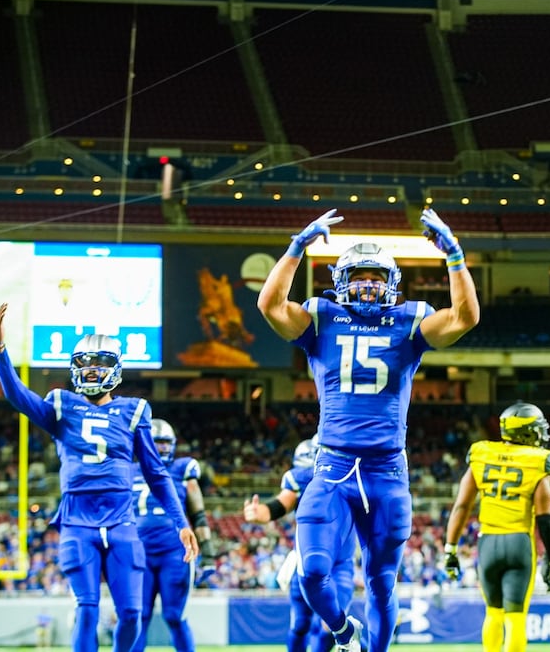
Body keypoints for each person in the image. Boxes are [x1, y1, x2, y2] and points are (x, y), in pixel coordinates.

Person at [256, 207, 479, 652]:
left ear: (391, 284)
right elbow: (270, 306)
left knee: (381, 582)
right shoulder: (322, 318)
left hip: (385, 469)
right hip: (333, 464)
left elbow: (464, 318)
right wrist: (296, 247)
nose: (368, 284)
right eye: (359, 275)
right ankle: (343, 632)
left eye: (377, 277)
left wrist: (454, 253)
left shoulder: (410, 320)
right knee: (313, 572)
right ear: (340, 280)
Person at [0, 303, 199, 652]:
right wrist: (0, 351)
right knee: (86, 609)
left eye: (98, 362)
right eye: (84, 362)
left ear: (115, 368)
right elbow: (19, 397)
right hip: (78, 521)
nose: (89, 370)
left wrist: (181, 522)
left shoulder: (133, 410)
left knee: (132, 614)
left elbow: (156, 473)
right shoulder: (61, 405)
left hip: (121, 520)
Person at [442, 402, 550, 652]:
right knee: (515, 617)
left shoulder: (482, 453)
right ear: (527, 431)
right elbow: (544, 517)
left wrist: (450, 548)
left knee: (493, 613)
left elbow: (462, 505)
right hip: (518, 541)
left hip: (488, 542)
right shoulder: (538, 460)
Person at [243, 437, 358, 652]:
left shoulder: (353, 474)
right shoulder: (303, 478)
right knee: (300, 626)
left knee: (330, 625)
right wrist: (262, 513)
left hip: (340, 565)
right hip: (305, 563)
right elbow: (281, 503)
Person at [131, 418, 218, 652]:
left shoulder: (182, 469)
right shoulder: (128, 471)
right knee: (138, 616)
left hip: (175, 553)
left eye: (167, 443)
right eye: (158, 443)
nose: (164, 448)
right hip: (139, 553)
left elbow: (198, 514)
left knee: (174, 615)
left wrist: (208, 554)